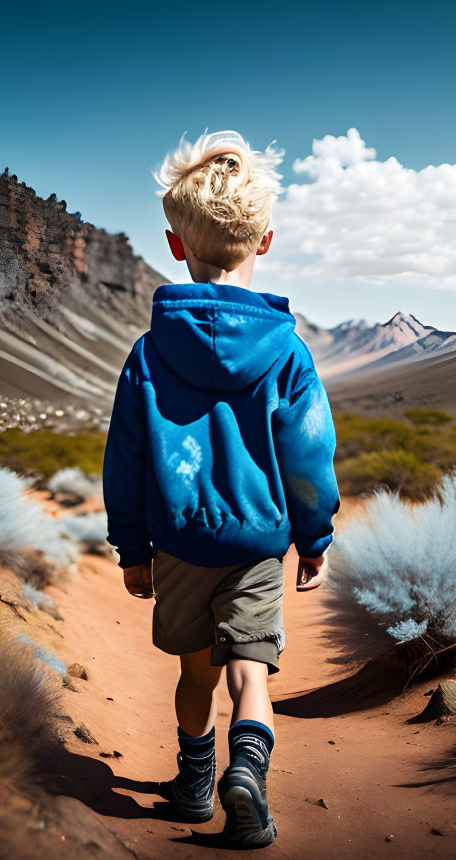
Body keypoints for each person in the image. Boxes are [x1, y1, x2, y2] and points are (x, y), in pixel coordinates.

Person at [102, 129, 341, 848]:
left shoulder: (148, 351)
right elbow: (309, 454)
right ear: (264, 241)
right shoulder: (289, 352)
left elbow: (127, 457)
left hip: (178, 543)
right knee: (250, 671)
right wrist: (314, 536)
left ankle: (193, 783)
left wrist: (131, 547)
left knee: (194, 673)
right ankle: (248, 773)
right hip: (258, 542)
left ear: (177, 246)